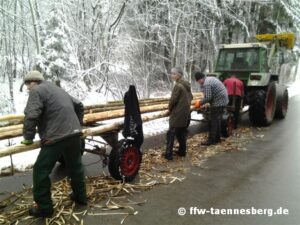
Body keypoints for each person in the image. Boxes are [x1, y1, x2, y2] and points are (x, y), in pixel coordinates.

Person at [21, 70, 87, 218]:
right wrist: (77, 124)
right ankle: (81, 197)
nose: (27, 88)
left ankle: (44, 208)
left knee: (40, 171)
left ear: (33, 82)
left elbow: (31, 115)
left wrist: (28, 137)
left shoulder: (36, 91)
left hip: (55, 138)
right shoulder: (58, 89)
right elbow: (79, 105)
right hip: (75, 134)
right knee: (75, 166)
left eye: (27, 85)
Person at [164, 67, 193, 160]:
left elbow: (173, 100)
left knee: (171, 133)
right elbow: (191, 97)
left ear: (179, 75)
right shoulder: (186, 84)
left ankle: (168, 154)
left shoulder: (178, 86)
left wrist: (169, 109)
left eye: (174, 74)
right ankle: (182, 151)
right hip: (185, 113)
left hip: (177, 113)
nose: (172, 75)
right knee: (181, 132)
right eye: (171, 73)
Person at [194, 72, 228, 145]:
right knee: (217, 120)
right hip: (223, 100)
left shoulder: (207, 84)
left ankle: (211, 140)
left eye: (198, 81)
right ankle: (217, 139)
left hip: (219, 102)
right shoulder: (210, 79)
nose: (199, 83)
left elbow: (208, 97)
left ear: (200, 79)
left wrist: (199, 103)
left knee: (213, 120)